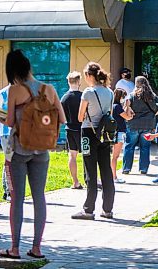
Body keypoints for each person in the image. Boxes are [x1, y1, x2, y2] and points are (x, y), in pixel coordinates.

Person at [0, 50, 66, 259]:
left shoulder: (15, 90)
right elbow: (62, 119)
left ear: (12, 70)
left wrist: (0, 118)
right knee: (39, 197)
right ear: (29, 67)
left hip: (19, 149)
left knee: (17, 198)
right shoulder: (49, 89)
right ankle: (37, 248)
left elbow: (9, 121)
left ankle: (15, 248)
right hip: (42, 149)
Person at [71, 62, 115, 220]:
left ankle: (88, 210)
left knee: (90, 170)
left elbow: (80, 116)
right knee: (106, 170)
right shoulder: (110, 92)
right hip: (105, 134)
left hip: (89, 132)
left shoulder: (88, 93)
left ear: (90, 76)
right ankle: (108, 209)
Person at [122, 76, 158, 175]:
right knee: (145, 147)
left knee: (129, 146)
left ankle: (126, 168)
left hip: (133, 124)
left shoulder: (132, 95)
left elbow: (126, 106)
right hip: (148, 124)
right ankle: (143, 169)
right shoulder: (153, 96)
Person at [61, 71, 84, 190]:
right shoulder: (83, 96)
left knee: (72, 155)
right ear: (79, 82)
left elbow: (61, 116)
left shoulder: (64, 98)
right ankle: (92, 180)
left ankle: (75, 182)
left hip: (70, 129)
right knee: (88, 155)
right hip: (83, 129)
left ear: (68, 82)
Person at [0, 84, 12, 201]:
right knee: (10, 161)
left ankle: (15, 190)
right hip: (7, 133)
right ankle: (8, 192)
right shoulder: (2, 94)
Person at [111, 88, 133, 183]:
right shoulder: (117, 107)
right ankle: (114, 176)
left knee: (113, 156)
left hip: (114, 132)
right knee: (115, 156)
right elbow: (128, 117)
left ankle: (112, 176)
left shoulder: (113, 106)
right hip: (119, 132)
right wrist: (127, 106)